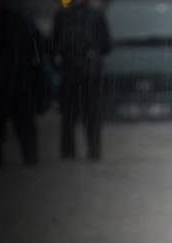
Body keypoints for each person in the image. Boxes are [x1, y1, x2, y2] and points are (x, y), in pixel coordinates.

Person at [0, 0, 42, 167]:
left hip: (5, 82)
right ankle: (30, 157)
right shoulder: (21, 20)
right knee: (24, 123)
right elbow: (36, 46)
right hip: (21, 81)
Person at [52, 0, 111, 161]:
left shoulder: (62, 15)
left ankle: (68, 152)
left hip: (69, 73)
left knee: (69, 117)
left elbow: (54, 46)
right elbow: (106, 46)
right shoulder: (96, 15)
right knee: (91, 115)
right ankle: (93, 151)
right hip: (89, 75)